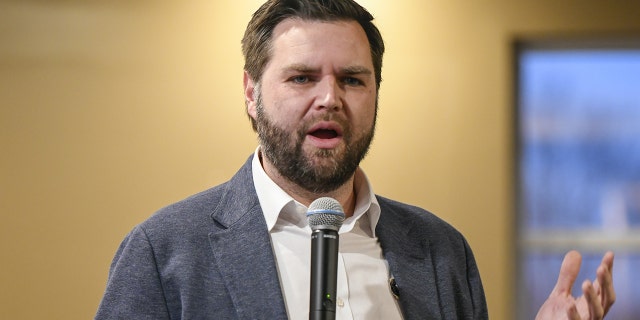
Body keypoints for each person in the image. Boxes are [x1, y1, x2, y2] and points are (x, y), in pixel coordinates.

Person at [95, 0, 616, 319]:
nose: (329, 99)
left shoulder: (441, 251)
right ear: (251, 93)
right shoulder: (163, 252)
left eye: (352, 79)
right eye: (302, 78)